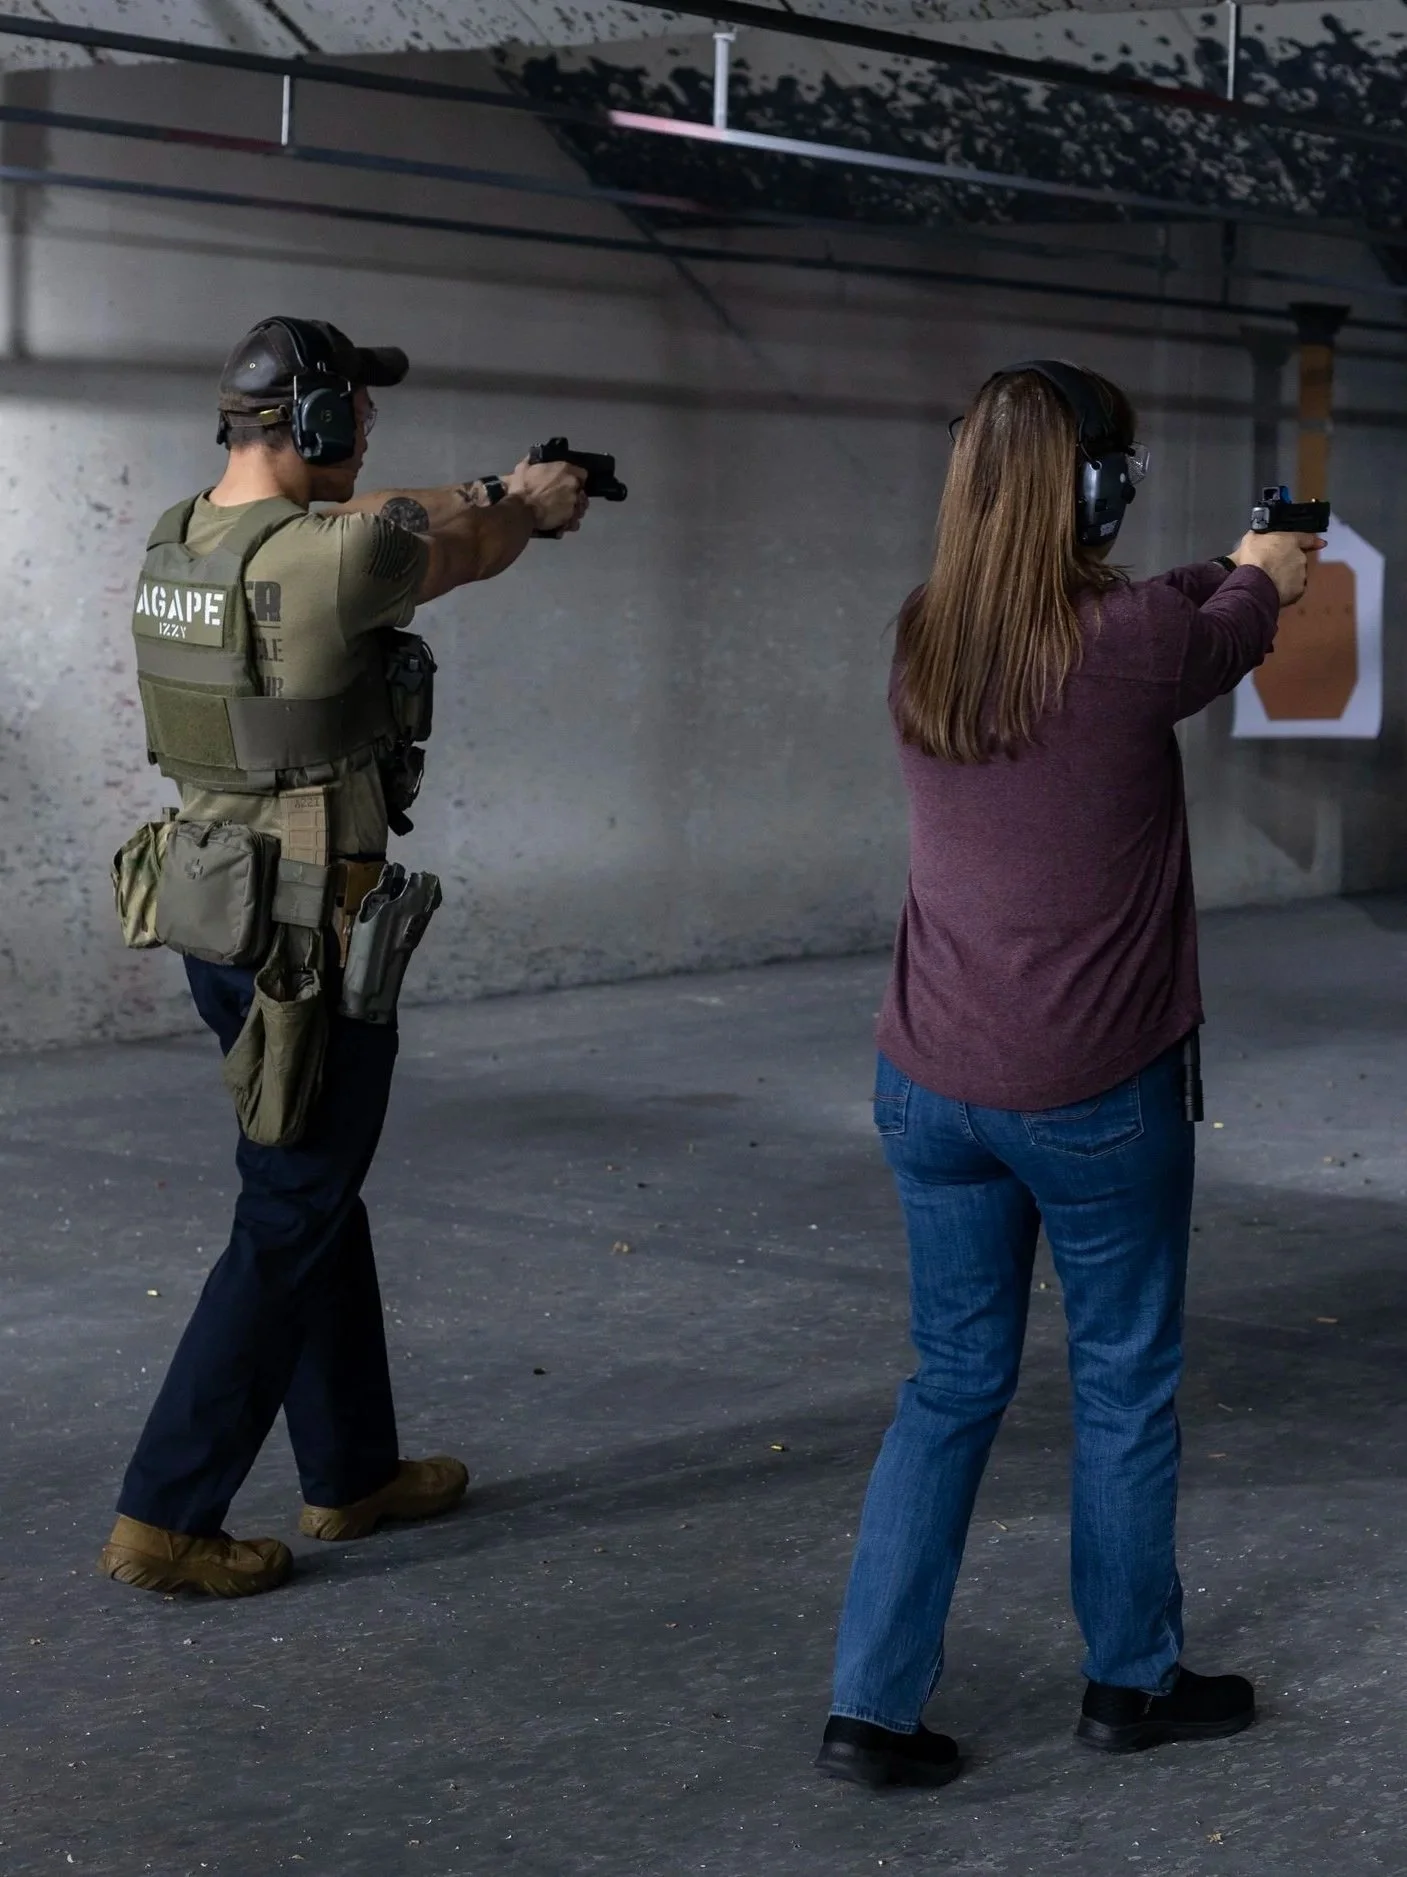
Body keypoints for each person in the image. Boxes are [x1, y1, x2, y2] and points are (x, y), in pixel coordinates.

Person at [814, 360, 1322, 1788]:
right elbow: (1218, 626)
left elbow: (1169, 610)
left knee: (950, 1384)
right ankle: (1128, 1681)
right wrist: (1269, 567)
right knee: (1119, 1382)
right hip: (1092, 1093)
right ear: (1094, 486)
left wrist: (1228, 565)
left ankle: (867, 1707)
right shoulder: (1134, 645)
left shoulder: (924, 635)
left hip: (926, 1086)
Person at [100, 316, 589, 1597]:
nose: (369, 433)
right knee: (291, 1205)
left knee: (314, 1184)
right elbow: (459, 542)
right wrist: (524, 500)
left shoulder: (178, 540)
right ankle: (167, 1511)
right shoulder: (341, 557)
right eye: (354, 415)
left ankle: (351, 1467)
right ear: (310, 425)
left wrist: (486, 485)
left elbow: (368, 520)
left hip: (211, 902)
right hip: (311, 926)